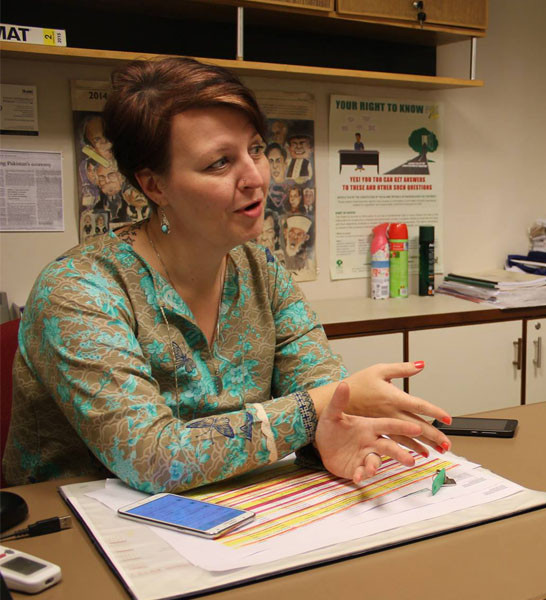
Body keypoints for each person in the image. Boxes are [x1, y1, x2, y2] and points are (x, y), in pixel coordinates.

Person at [3, 57, 453, 494]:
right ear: (154, 185)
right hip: (76, 533)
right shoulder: (78, 290)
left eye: (255, 149)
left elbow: (322, 393)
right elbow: (153, 457)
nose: (255, 177)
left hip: (234, 504)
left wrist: (333, 433)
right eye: (220, 163)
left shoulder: (261, 269)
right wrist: (322, 407)